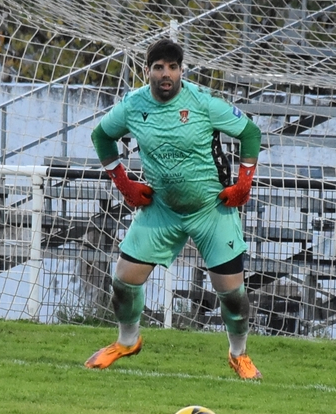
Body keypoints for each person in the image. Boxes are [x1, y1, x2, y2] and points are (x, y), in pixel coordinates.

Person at [84, 39, 264, 380]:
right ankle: (127, 341)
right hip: (162, 209)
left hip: (211, 210)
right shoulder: (133, 105)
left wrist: (244, 183)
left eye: (172, 67)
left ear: (182, 70)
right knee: (123, 281)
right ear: (147, 71)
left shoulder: (203, 102)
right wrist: (124, 183)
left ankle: (239, 354)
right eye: (158, 67)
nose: (165, 74)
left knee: (232, 294)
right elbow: (101, 137)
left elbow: (250, 133)